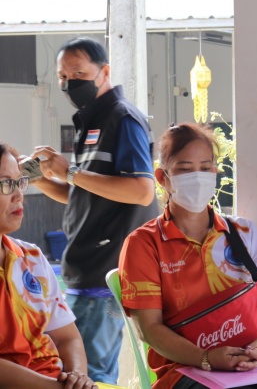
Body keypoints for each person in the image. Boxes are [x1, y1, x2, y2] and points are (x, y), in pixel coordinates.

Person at [118, 123, 257, 389]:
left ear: (215, 172)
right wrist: (205, 358)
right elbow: (149, 329)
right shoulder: (144, 244)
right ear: (162, 177)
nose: (197, 177)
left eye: (205, 168)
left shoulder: (243, 232)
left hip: (250, 360)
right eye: (185, 169)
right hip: (186, 369)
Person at [30, 36, 157, 384]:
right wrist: (39, 179)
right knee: (77, 371)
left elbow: (142, 191)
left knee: (87, 374)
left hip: (102, 271)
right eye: (63, 76)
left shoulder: (122, 118)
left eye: (79, 73)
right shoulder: (90, 121)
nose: (69, 83)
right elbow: (83, 196)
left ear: (105, 72)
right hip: (83, 268)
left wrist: (70, 172)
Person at [0, 141, 97, 389]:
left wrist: (78, 378)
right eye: (6, 184)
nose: (19, 195)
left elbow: (67, 337)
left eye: (19, 182)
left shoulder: (31, 257)